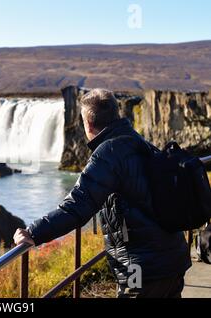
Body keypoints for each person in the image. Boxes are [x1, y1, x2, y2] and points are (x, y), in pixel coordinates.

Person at [14, 89, 192, 298]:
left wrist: (33, 233)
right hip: (173, 259)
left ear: (88, 123)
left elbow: (77, 205)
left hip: (140, 269)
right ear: (116, 115)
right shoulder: (139, 142)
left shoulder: (107, 154)